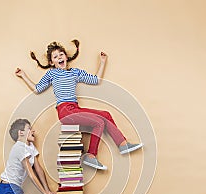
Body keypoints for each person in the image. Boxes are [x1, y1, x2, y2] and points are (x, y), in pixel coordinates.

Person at [15, 40, 143, 170]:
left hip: (75, 108)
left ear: (66, 57)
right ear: (51, 63)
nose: (59, 57)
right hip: (65, 110)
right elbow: (37, 89)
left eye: (61, 54)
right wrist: (23, 75)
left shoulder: (75, 72)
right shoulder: (51, 74)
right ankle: (91, 156)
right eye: (55, 57)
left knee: (106, 115)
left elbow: (96, 80)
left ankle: (122, 144)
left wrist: (103, 62)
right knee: (99, 122)